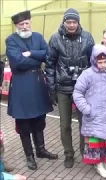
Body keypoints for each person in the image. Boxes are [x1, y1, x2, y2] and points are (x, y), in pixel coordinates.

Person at [5, 10, 58, 170]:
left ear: (30, 23)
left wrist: (31, 53)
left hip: (37, 84)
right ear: (16, 26)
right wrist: (37, 60)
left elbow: (48, 54)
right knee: (24, 122)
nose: (25, 26)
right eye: (21, 24)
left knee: (39, 120)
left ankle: (41, 150)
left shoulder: (38, 37)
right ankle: (30, 156)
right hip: (21, 85)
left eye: (27, 23)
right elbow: (18, 62)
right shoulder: (11, 40)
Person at [45, 8, 95, 168]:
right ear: (64, 22)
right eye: (69, 22)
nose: (72, 25)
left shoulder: (87, 37)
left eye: (74, 22)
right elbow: (50, 65)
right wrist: (51, 89)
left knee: (84, 123)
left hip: (83, 88)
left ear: (78, 22)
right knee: (65, 124)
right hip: (63, 88)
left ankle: (84, 150)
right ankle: (69, 154)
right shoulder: (55, 38)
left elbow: (94, 63)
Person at [73, 44, 106, 178]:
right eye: (99, 62)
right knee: (96, 142)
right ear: (94, 61)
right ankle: (98, 164)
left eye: (105, 61)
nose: (102, 64)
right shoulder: (87, 74)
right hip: (92, 116)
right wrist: (86, 109)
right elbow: (77, 93)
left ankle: (105, 162)